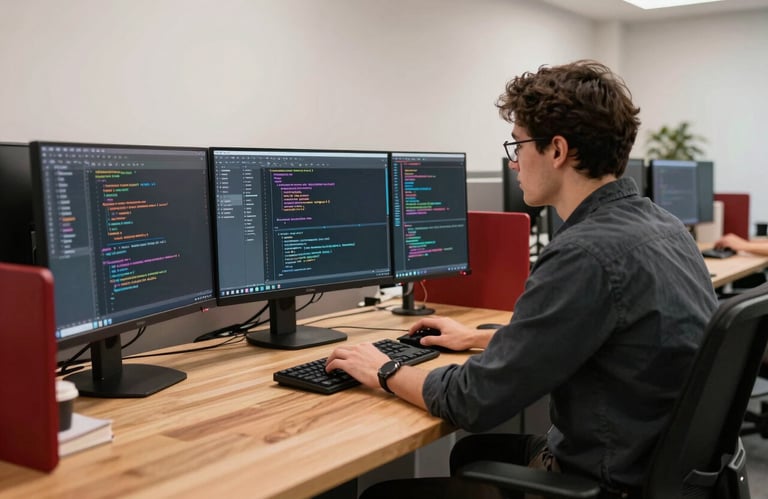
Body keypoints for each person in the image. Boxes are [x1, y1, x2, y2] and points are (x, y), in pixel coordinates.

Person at [325, 60, 718, 498]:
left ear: (557, 151)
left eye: (518, 145)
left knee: (384, 495)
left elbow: (473, 400)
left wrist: (385, 369)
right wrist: (479, 337)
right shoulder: (664, 226)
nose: (514, 163)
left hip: (605, 480)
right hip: (659, 470)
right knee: (473, 455)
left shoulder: (583, 253)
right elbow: (595, 335)